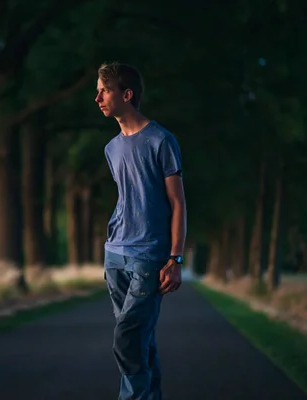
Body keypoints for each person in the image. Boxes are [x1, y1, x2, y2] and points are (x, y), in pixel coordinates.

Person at [95, 62, 187, 400]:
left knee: (127, 339)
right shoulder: (111, 148)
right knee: (140, 341)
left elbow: (177, 203)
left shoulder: (161, 140)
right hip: (115, 255)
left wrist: (175, 257)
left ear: (127, 94)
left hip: (149, 257)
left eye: (104, 90)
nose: (97, 98)